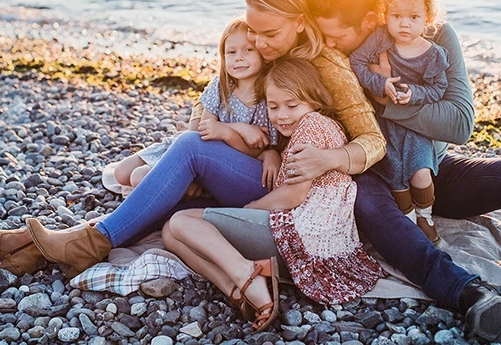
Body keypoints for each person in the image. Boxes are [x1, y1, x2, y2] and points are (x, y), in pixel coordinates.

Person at [0, 0, 501, 339]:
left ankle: (460, 291)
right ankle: (51, 244)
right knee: (185, 150)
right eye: (252, 30)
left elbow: (370, 139)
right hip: (274, 169)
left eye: (268, 33)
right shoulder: (266, 47)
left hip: (327, 174)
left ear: (299, 24)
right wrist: (250, 140)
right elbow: (223, 105)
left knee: (374, 210)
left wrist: (329, 160)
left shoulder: (326, 67)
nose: (258, 42)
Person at [299, 0, 501, 338]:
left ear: (371, 19)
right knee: (368, 204)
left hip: (430, 167)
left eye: (336, 37)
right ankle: (464, 291)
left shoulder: (434, 37)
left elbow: (458, 122)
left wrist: (385, 102)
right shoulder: (328, 56)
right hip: (372, 175)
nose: (328, 46)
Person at [162, 59, 386, 331]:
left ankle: (249, 275)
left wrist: (250, 207)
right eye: (273, 106)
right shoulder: (311, 127)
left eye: (292, 105)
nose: (282, 115)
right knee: (168, 232)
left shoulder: (313, 125)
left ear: (314, 100)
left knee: (180, 223)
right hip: (305, 239)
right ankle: (236, 290)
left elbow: (293, 195)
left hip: (300, 237)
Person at [112, 17, 279, 192]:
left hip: (215, 160)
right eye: (231, 52)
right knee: (121, 173)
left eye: (248, 50)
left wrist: (226, 132)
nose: (239, 58)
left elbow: (254, 151)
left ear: (262, 54)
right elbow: (200, 131)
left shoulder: (265, 96)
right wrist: (240, 128)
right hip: (192, 145)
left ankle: (191, 187)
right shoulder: (221, 86)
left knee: (139, 178)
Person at [349, 0, 449, 243]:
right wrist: (380, 83)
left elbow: (438, 89)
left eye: (413, 17)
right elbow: (356, 63)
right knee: (396, 179)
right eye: (396, 16)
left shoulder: (433, 54)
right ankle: (408, 221)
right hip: (385, 126)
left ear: (428, 17)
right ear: (386, 14)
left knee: (420, 173)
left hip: (414, 127)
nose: (404, 24)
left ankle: (425, 216)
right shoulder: (381, 38)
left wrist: (414, 93)